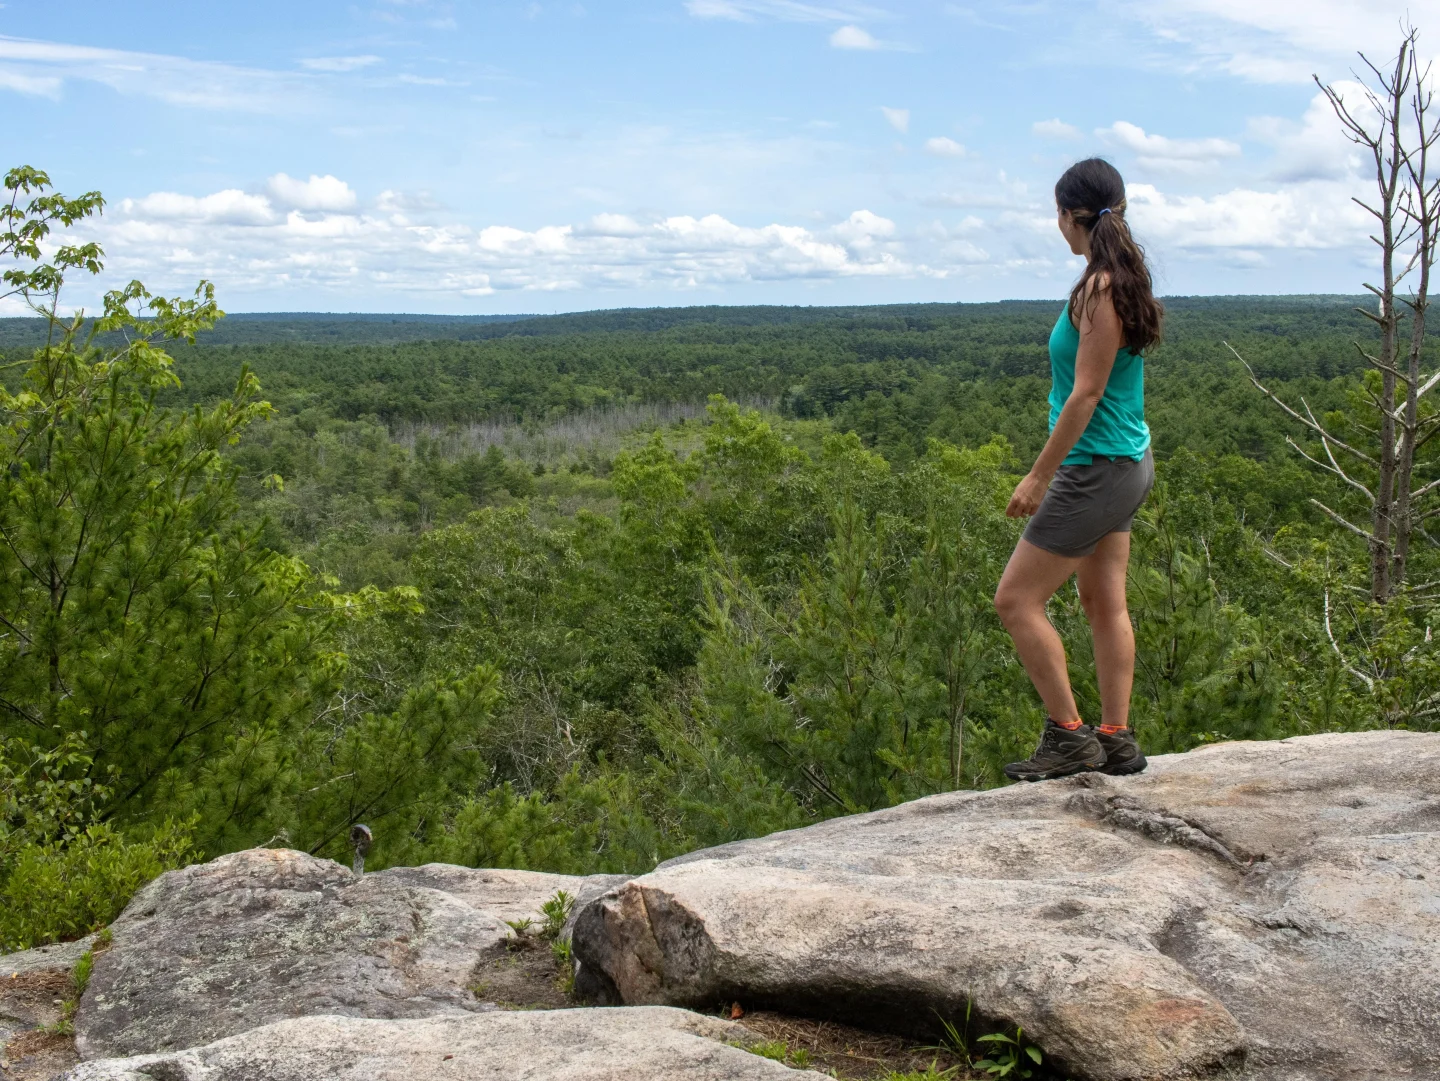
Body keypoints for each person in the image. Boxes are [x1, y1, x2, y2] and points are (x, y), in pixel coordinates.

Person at [994, 157, 1161, 782]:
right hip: (1125, 462)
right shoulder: (1121, 279)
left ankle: (1070, 736)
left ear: (1070, 215)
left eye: (1057, 216)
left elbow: (1085, 394)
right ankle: (1116, 738)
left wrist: (1038, 476)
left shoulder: (1097, 289)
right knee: (1103, 600)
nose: (1057, 226)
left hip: (1095, 468)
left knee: (1015, 600)